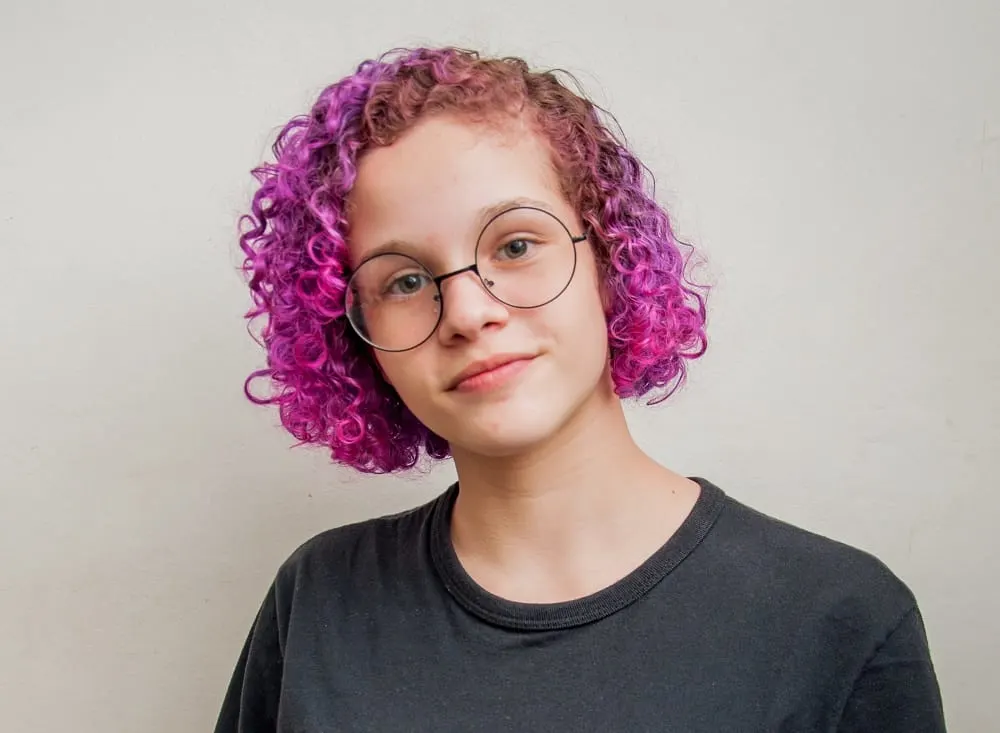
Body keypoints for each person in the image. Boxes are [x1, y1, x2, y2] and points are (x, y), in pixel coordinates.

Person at [215, 46, 946, 732]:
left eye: (515, 245)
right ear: (356, 339)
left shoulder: (836, 618)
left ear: (609, 255)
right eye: (404, 281)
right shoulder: (317, 602)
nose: (469, 312)